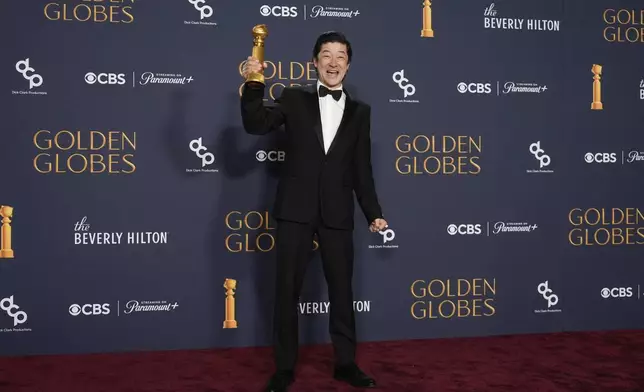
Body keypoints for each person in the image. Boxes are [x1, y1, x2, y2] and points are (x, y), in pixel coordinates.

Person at [240, 31, 387, 392]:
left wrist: (373, 213)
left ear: (348, 65)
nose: (333, 62)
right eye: (326, 55)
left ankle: (346, 364)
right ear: (314, 62)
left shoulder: (361, 112)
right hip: (295, 209)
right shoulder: (293, 98)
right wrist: (253, 84)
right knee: (287, 291)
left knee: (341, 291)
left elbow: (361, 168)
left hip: (337, 212)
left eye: (340, 56)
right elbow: (255, 124)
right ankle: (285, 368)